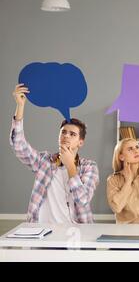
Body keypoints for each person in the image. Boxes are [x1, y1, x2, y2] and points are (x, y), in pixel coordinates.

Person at [10, 84, 99, 223]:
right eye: (63, 132)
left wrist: (70, 165)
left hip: (76, 235)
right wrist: (20, 106)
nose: (66, 136)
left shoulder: (89, 167)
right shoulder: (44, 161)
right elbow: (19, 145)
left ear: (80, 142)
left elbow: (83, 200)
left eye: (72, 134)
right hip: (42, 233)